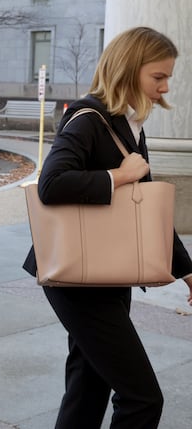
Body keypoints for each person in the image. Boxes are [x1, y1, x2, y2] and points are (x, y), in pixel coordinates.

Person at [23, 26, 192, 428]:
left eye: (168, 77)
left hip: (106, 271)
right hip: (78, 277)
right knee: (142, 398)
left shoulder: (129, 122)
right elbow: (50, 184)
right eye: (158, 76)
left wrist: (186, 270)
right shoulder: (87, 117)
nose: (165, 87)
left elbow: (145, 210)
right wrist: (119, 176)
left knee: (89, 386)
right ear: (129, 69)